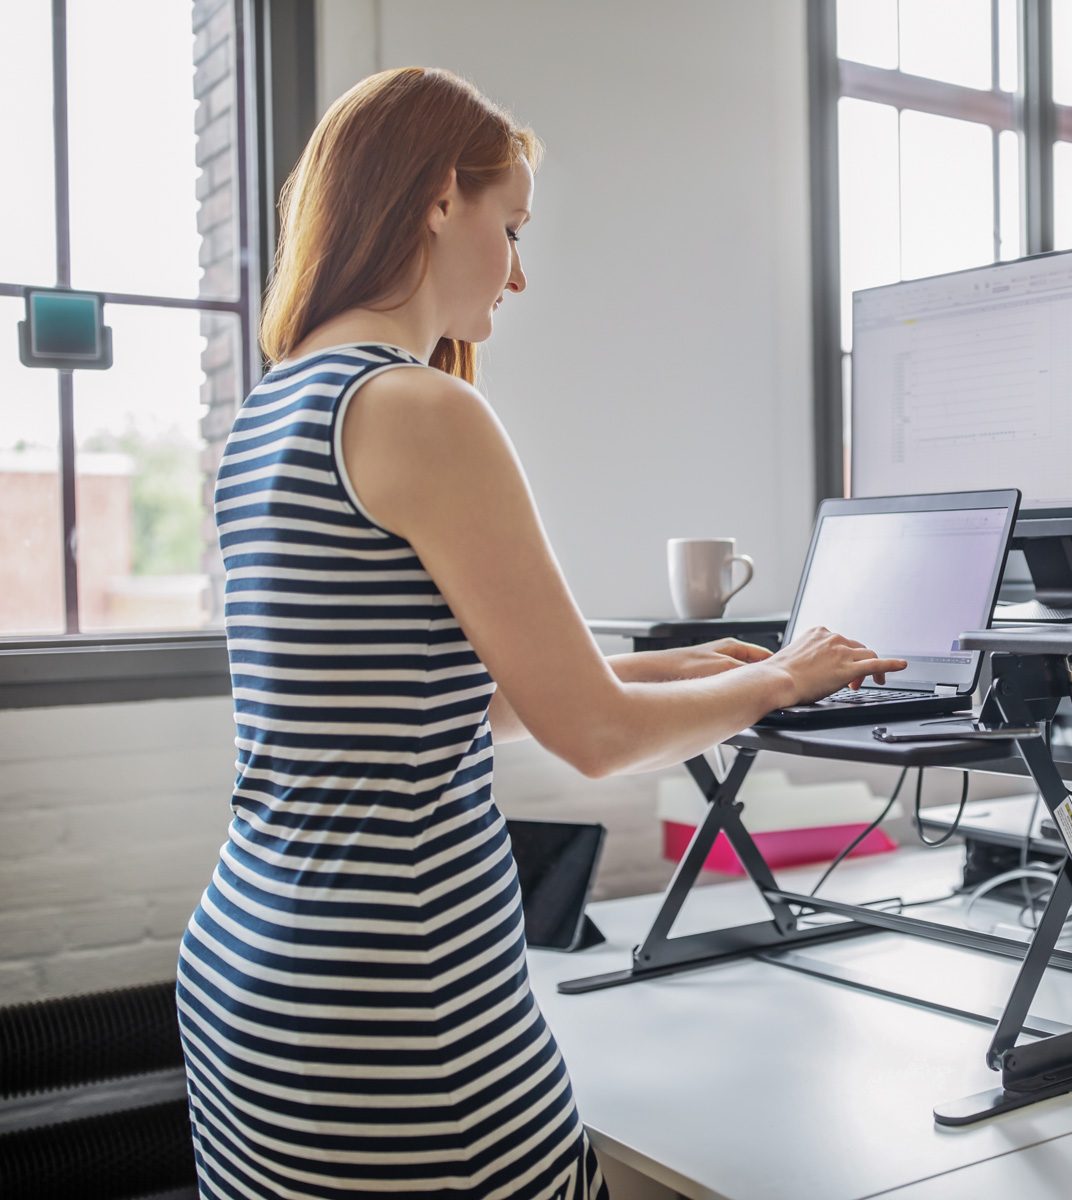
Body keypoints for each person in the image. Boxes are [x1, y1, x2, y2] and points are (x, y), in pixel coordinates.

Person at [174, 68, 905, 1200]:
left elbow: (448, 694)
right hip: (397, 994)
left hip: (252, 977)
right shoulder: (418, 407)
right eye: (509, 226)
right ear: (435, 200)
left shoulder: (269, 413)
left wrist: (678, 665)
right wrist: (782, 683)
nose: (518, 271)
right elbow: (595, 737)